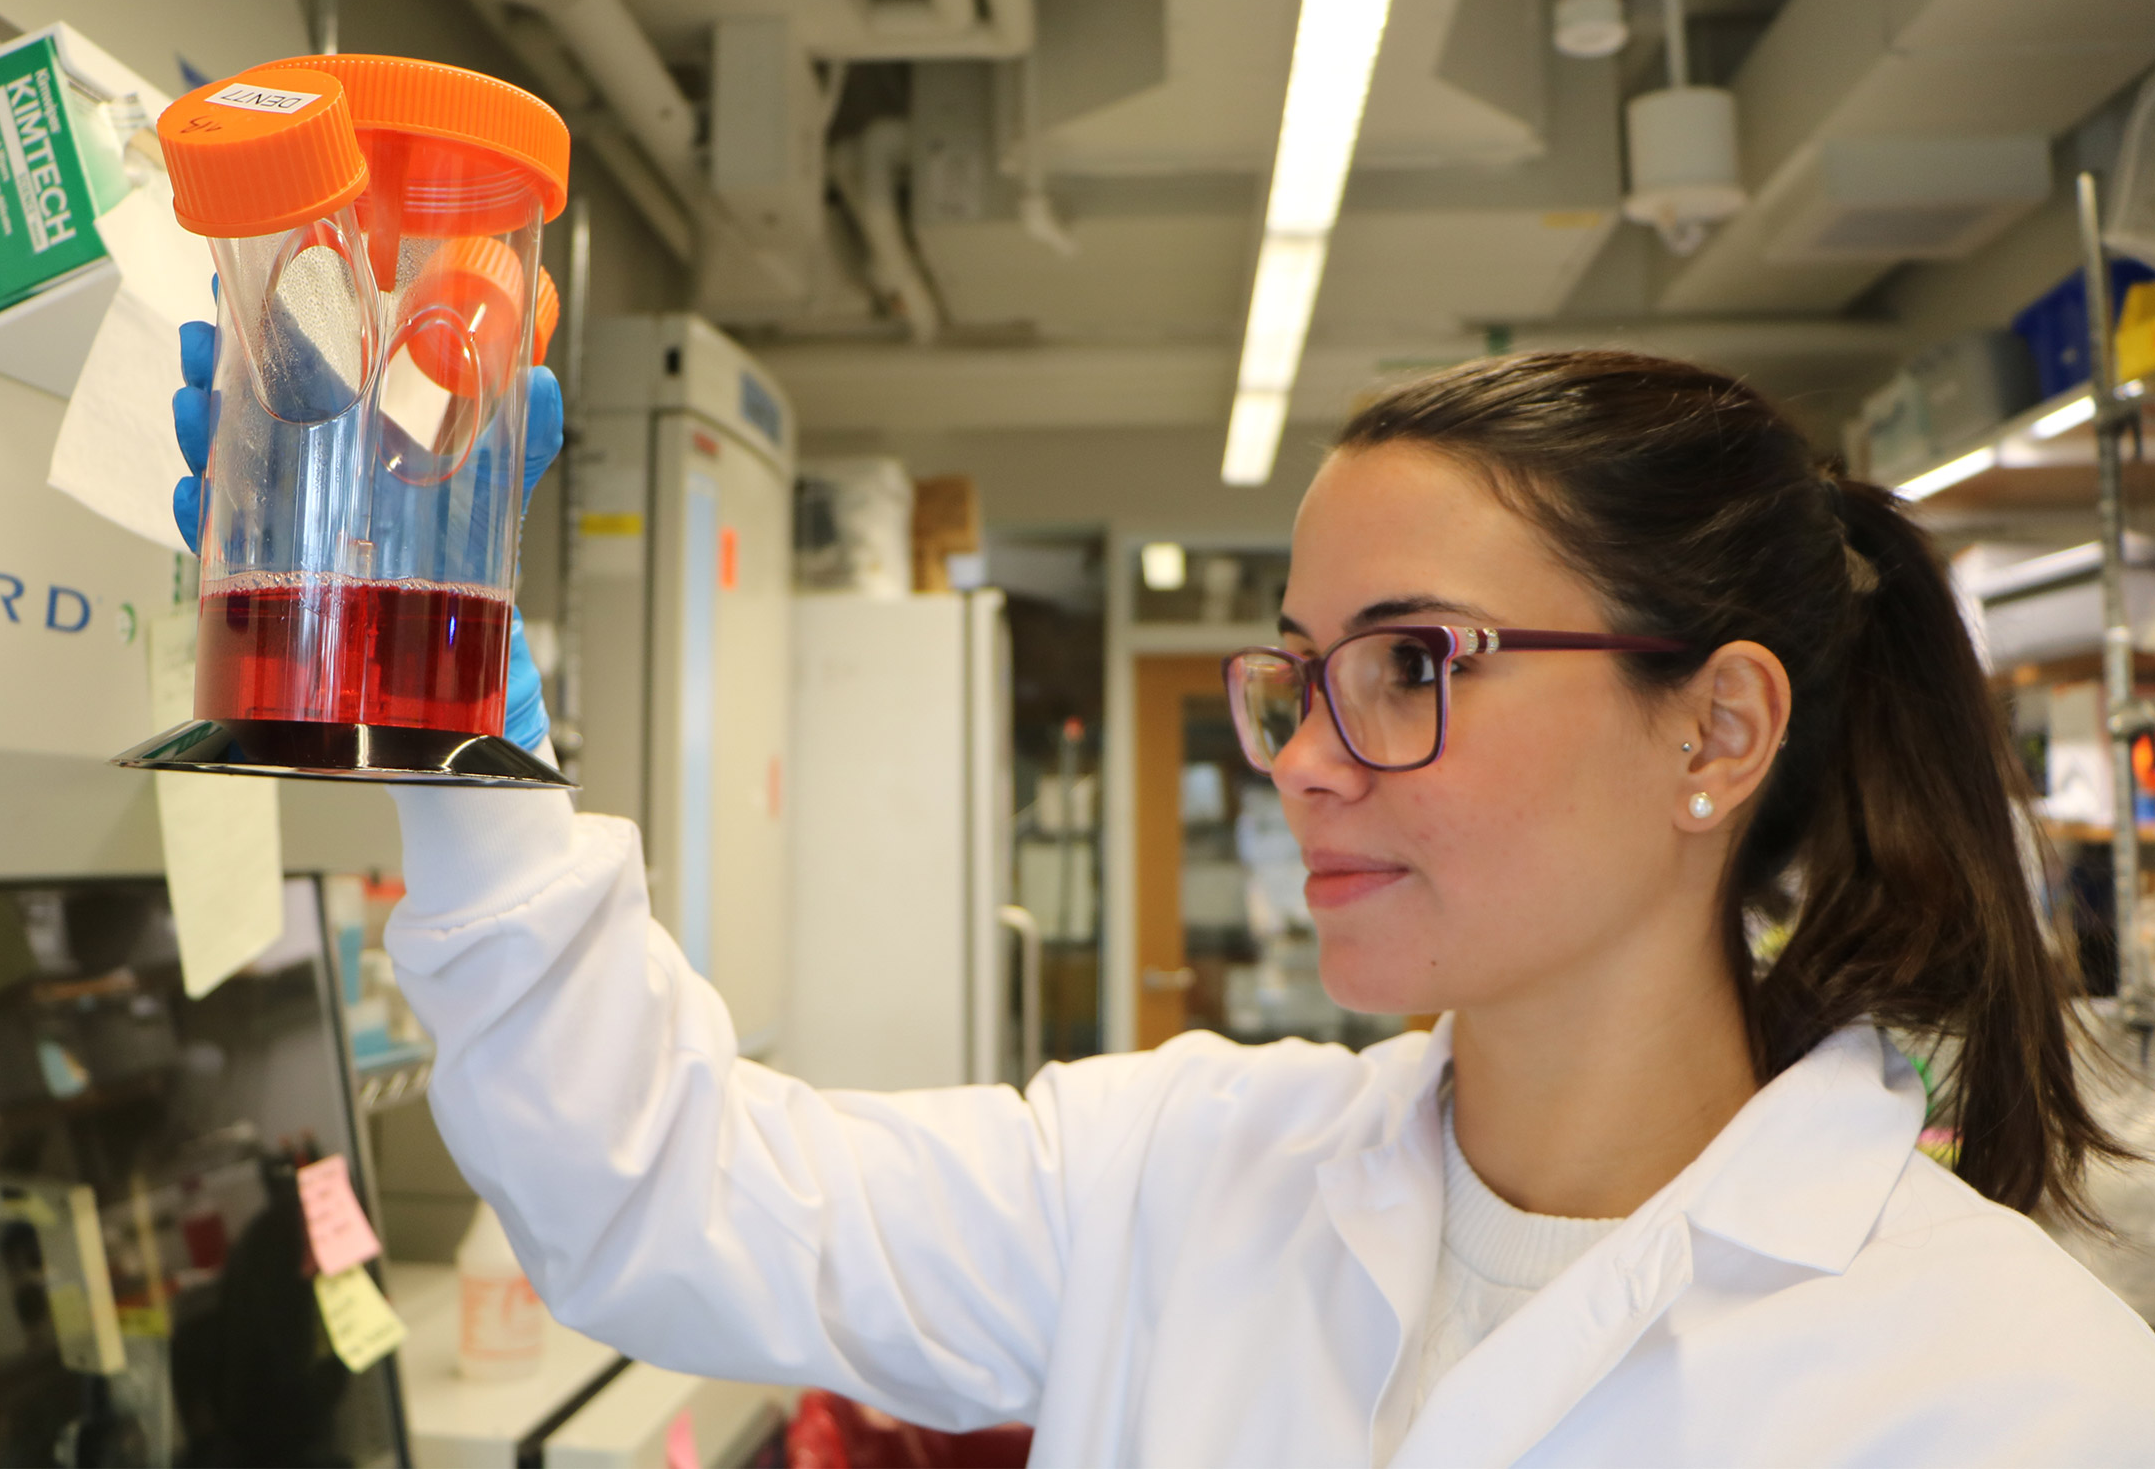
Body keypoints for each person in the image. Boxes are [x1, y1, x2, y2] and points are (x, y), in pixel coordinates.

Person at [174, 337, 2155, 1464]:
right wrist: (460, 769)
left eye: (1414, 663)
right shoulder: (1177, 1171)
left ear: (1711, 729)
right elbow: (666, 1201)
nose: (1296, 754)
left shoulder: (2010, 1392)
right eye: (1297, 672)